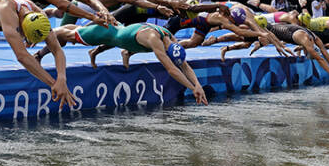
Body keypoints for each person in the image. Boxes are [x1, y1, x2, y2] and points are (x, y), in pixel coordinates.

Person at [46, 23, 208, 105]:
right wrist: (192, 88)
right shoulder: (155, 40)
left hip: (121, 32)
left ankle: (124, 53)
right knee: (69, 34)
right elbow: (172, 70)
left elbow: (184, 65)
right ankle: (43, 33)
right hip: (108, 34)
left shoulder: (171, 39)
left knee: (79, 29)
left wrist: (198, 85)